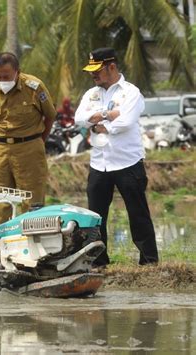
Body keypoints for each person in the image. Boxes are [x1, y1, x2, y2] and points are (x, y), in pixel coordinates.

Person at [75, 47, 158, 268]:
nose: (93, 75)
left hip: (127, 162)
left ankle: (149, 262)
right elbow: (80, 119)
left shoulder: (131, 93)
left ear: (111, 66)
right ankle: (99, 262)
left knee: (138, 213)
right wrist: (106, 115)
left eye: (97, 70)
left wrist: (102, 126)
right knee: (95, 216)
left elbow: (125, 122)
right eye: (91, 70)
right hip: (99, 163)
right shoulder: (91, 94)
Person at [0, 52, 57, 225]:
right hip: (0, 150)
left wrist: (38, 141)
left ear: (17, 72)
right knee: (0, 201)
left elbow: (50, 115)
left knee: (32, 201)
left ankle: (33, 246)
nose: (1, 80)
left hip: (29, 148)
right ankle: (0, 246)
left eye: (6, 76)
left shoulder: (34, 87)